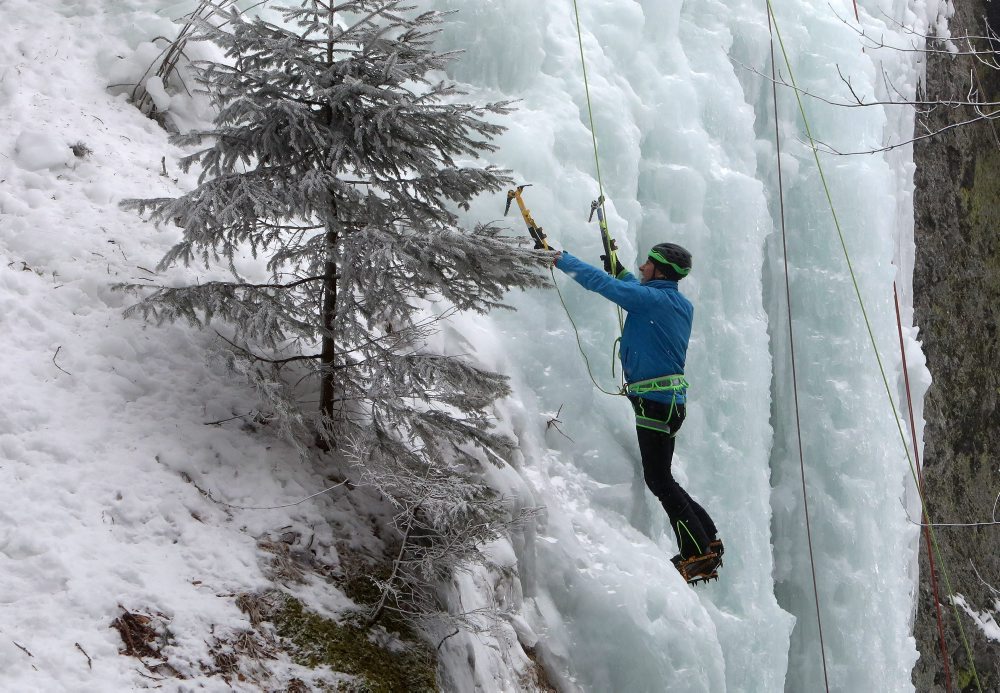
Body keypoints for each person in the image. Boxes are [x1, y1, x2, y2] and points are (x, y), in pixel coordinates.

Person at [553, 242, 723, 584]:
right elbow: (633, 287)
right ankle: (708, 540)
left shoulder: (651, 300)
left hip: (655, 401)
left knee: (658, 479)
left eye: (648, 263)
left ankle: (697, 552)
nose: (643, 266)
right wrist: (618, 266)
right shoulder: (676, 302)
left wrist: (560, 259)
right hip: (670, 402)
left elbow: (604, 286)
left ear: (661, 270)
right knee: (664, 476)